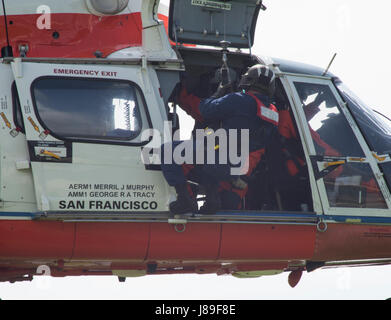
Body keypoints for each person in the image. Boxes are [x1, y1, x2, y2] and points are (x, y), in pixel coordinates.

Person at [160, 64, 279, 215]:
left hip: (220, 160)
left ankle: (184, 200)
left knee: (169, 150)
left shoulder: (239, 100)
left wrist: (219, 92)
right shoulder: (274, 113)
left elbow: (205, 109)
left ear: (248, 80)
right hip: (241, 166)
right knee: (211, 153)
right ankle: (212, 200)